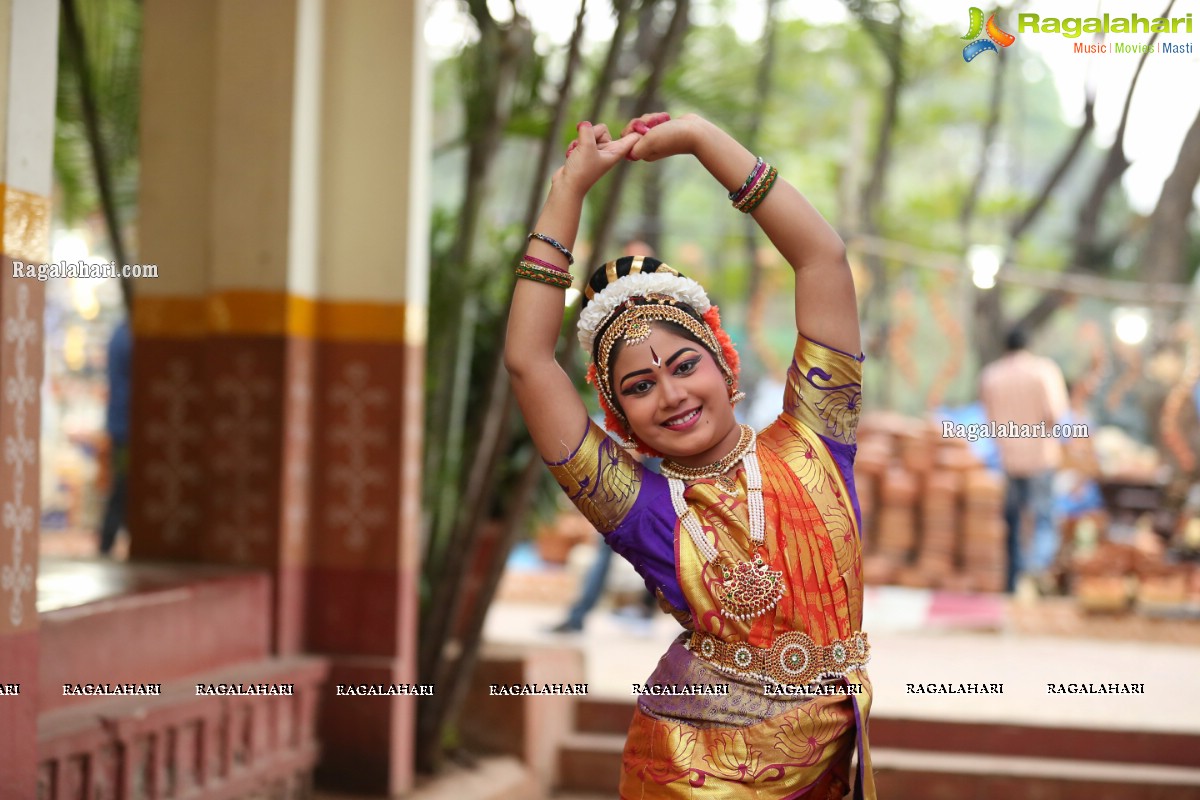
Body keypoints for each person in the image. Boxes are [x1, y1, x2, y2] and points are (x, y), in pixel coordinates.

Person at [505, 112, 873, 799]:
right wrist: (569, 191)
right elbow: (528, 362)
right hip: (686, 776)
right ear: (619, 416)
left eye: (684, 365)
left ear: (725, 364)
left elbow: (821, 258)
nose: (670, 394)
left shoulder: (817, 442)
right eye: (639, 387)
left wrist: (707, 142)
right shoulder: (638, 505)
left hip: (824, 764)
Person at [979, 328, 1070, 594]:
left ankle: (1013, 580)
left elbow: (988, 418)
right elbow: (1055, 413)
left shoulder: (991, 376)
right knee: (1043, 518)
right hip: (1041, 457)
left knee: (1013, 522)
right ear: (1028, 345)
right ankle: (1036, 571)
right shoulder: (1044, 371)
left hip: (1007, 459)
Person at [98, 317, 132, 556]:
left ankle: (107, 541)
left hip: (121, 426)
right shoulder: (128, 337)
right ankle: (106, 542)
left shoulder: (120, 333)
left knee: (122, 484)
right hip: (125, 429)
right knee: (122, 485)